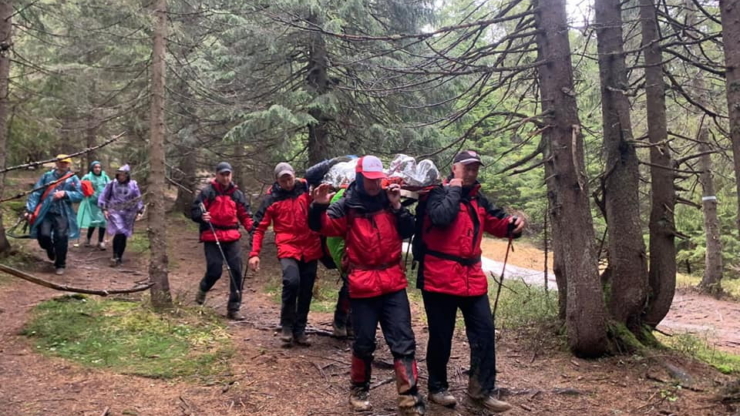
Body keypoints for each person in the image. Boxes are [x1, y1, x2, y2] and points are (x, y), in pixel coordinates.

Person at [309, 155, 425, 416]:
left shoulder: (388, 200)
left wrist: (397, 206)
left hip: (393, 282)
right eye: (370, 180)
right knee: (363, 342)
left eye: (377, 180)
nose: (374, 185)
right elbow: (323, 228)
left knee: (404, 341)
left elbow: (408, 230)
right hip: (362, 284)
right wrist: (318, 207)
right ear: (360, 178)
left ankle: (409, 398)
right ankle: (359, 391)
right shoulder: (347, 204)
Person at [413, 150, 526, 413]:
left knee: (484, 334)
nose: (472, 172)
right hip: (439, 277)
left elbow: (498, 224)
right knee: (441, 336)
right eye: (467, 167)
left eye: (475, 168)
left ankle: (480, 393)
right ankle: (437, 388)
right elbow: (442, 218)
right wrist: (453, 189)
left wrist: (515, 225)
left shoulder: (478, 200)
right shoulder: (434, 194)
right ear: (455, 168)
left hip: (472, 278)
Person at [249, 162, 323, 347]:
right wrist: (254, 253)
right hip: (288, 246)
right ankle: (287, 326)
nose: (287, 183)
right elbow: (259, 228)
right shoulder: (271, 199)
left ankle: (300, 329)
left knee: (306, 289)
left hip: (310, 246)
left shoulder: (306, 189)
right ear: (277, 180)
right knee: (292, 282)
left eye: (289, 178)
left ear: (294, 175)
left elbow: (321, 203)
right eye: (283, 180)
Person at [191, 162, 253, 321]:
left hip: (232, 236)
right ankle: (203, 289)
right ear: (217, 175)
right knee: (215, 270)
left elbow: (245, 215)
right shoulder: (207, 192)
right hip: (212, 235)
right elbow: (194, 210)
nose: (225, 178)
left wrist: (253, 231)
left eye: (228, 174)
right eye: (222, 174)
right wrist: (201, 216)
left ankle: (234, 308)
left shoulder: (237, 194)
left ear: (231, 175)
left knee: (236, 271)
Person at [25, 154, 83, 275]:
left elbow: (80, 195)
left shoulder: (73, 178)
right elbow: (36, 193)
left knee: (61, 237)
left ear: (69, 164)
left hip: (63, 213)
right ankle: (50, 250)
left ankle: (60, 264)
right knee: (43, 235)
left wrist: (65, 194)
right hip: (45, 212)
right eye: (61, 162)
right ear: (56, 163)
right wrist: (30, 210)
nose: (63, 165)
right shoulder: (47, 176)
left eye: (65, 163)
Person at [98, 165, 144, 267]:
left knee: (124, 234)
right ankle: (114, 255)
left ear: (127, 175)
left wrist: (140, 210)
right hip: (115, 210)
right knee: (119, 231)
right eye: (119, 174)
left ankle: (119, 256)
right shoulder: (112, 184)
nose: (121, 177)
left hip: (128, 212)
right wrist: (104, 208)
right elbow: (103, 196)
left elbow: (138, 198)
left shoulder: (133, 185)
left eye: (123, 175)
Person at [325, 188, 352, 338]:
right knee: (350, 281)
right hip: (339, 241)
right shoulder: (341, 197)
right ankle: (340, 320)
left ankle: (351, 322)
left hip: (356, 242)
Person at [77, 161, 110, 249]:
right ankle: (88, 239)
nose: (97, 169)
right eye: (95, 167)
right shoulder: (88, 177)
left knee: (103, 221)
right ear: (92, 168)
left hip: (103, 203)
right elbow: (80, 186)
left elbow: (109, 188)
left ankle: (100, 241)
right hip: (92, 202)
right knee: (93, 221)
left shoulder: (105, 177)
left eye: (99, 167)